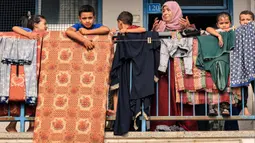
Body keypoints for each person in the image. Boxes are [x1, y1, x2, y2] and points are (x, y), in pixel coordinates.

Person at [150, 1, 198, 131]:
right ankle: (163, 125)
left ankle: (187, 126)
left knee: (183, 95)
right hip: (164, 69)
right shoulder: (160, 28)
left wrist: (188, 29)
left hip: (182, 67)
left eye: (168, 10)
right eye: (163, 11)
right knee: (163, 96)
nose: (165, 13)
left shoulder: (185, 27)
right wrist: (153, 33)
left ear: (176, 11)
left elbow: (196, 40)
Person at [7, 14, 47, 132]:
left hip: (39, 70)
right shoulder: (29, 31)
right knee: (22, 98)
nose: (46, 26)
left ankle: (32, 126)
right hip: (26, 70)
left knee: (35, 100)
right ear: (35, 25)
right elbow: (15, 28)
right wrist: (29, 35)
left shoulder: (45, 35)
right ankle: (12, 125)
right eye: (44, 24)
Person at [107, 11, 146, 116]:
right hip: (121, 64)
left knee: (118, 87)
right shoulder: (120, 33)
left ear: (120, 22)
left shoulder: (132, 29)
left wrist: (126, 30)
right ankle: (115, 110)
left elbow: (143, 29)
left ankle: (123, 111)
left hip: (127, 66)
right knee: (116, 87)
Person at [224, 10, 254, 130]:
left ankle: (244, 107)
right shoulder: (236, 32)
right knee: (241, 90)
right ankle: (244, 107)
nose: (245, 22)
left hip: (252, 63)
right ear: (239, 21)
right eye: (243, 19)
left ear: (253, 21)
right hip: (240, 64)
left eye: (248, 20)